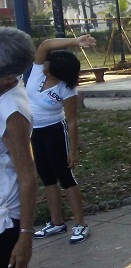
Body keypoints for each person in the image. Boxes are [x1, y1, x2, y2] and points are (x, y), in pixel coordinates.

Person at [30, 34, 95, 244]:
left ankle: (80, 224)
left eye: (51, 65)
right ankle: (56, 222)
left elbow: (72, 121)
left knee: (65, 177)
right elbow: (45, 44)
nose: (46, 64)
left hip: (55, 132)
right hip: (34, 133)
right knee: (47, 177)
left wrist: (73, 150)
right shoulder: (38, 70)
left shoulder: (66, 89)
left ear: (59, 73)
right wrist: (75, 42)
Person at [0, 28, 39, 268]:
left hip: (6, 219)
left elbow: (28, 177)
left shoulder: (12, 112)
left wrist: (25, 236)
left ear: (8, 76)